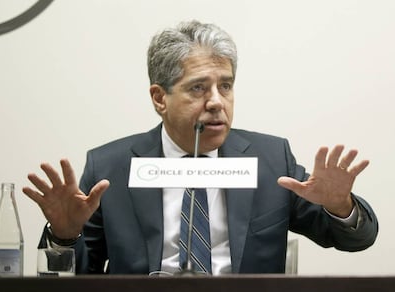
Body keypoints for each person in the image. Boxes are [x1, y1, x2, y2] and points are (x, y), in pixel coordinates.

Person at [23, 20, 378, 275]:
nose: (215, 102)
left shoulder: (270, 160)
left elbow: (354, 240)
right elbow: (75, 278)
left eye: (225, 86)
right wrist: (64, 236)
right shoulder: (111, 167)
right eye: (197, 88)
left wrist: (339, 206)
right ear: (160, 98)